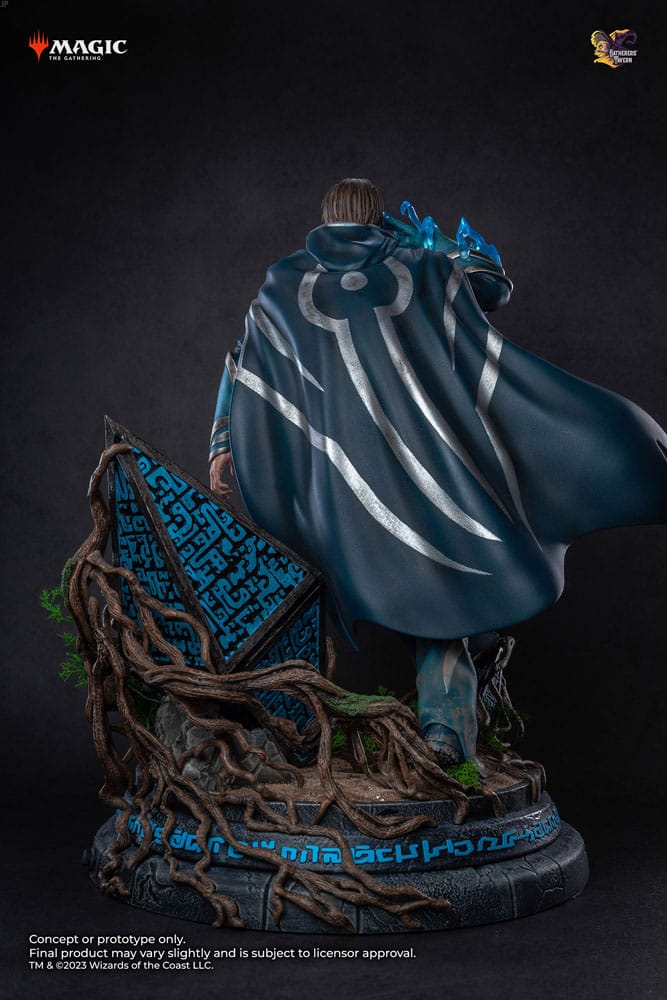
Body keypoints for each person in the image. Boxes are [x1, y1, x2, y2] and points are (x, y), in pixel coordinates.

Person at [209, 178, 667, 765]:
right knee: (438, 595)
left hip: (350, 485)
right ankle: (437, 726)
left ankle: (423, 734)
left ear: (325, 215)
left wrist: (223, 443)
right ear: (378, 216)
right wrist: (432, 242)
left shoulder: (285, 279)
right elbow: (491, 284)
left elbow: (242, 365)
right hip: (412, 476)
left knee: (408, 595)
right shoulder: (418, 265)